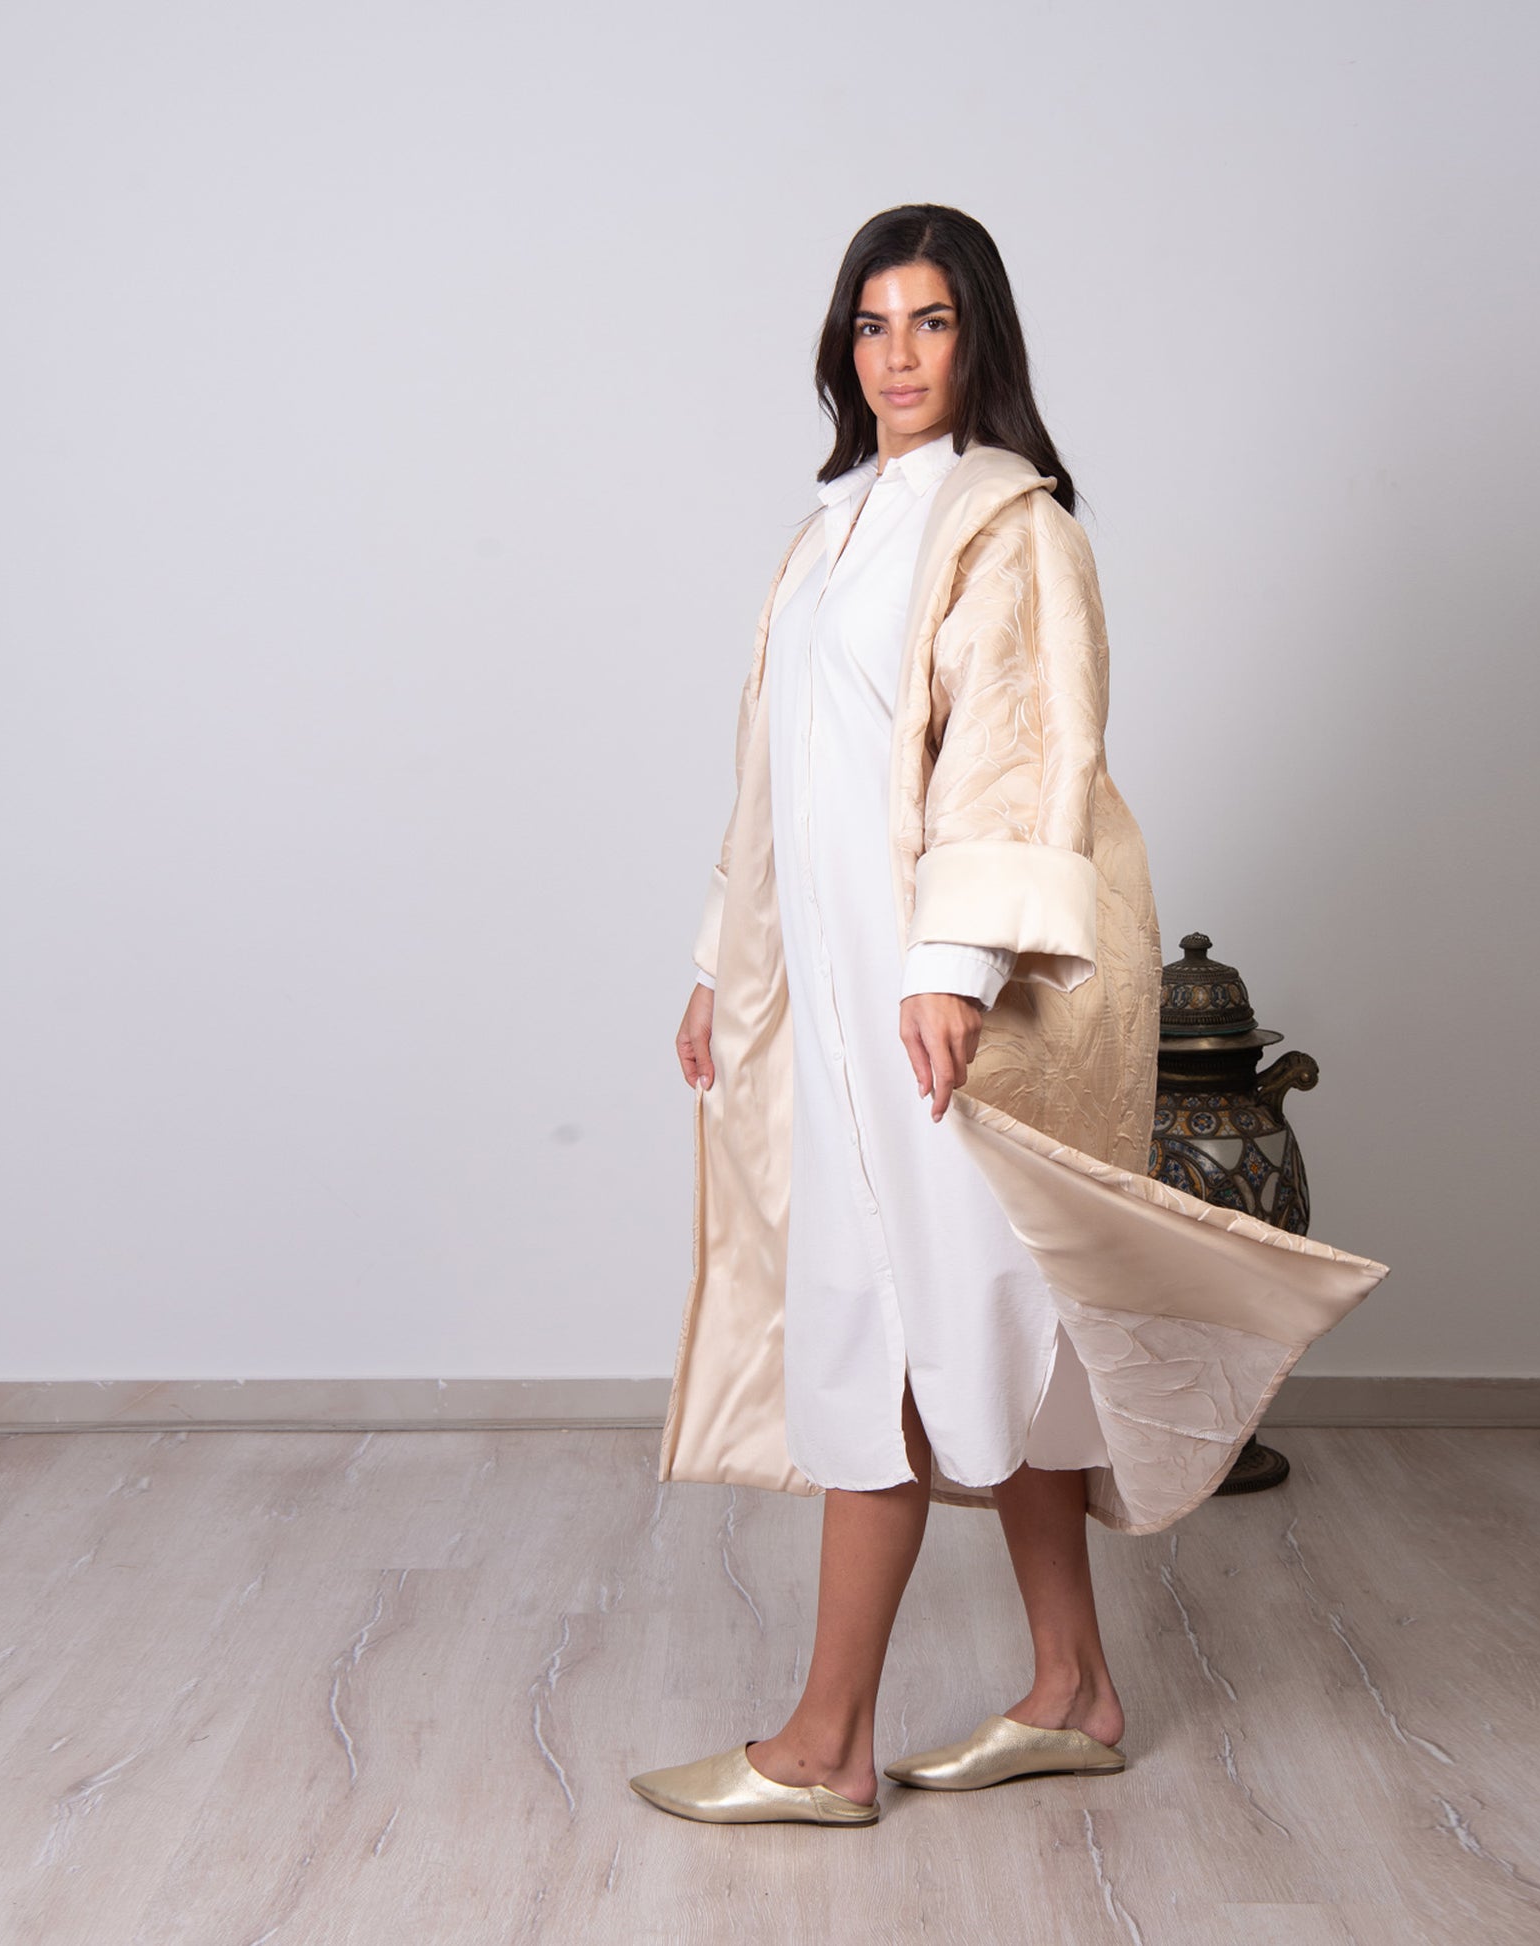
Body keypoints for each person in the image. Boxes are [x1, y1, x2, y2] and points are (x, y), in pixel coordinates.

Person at [633, 205, 1389, 1828]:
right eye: (870, 323)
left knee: (906, 1332)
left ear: (979, 338)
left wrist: (954, 968)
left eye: (929, 321)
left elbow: (1021, 754)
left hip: (933, 1007)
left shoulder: (1007, 523)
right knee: (988, 1324)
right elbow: (776, 775)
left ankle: (825, 1745)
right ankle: (1073, 1689)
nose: (896, 355)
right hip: (835, 1000)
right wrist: (721, 959)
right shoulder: (830, 532)